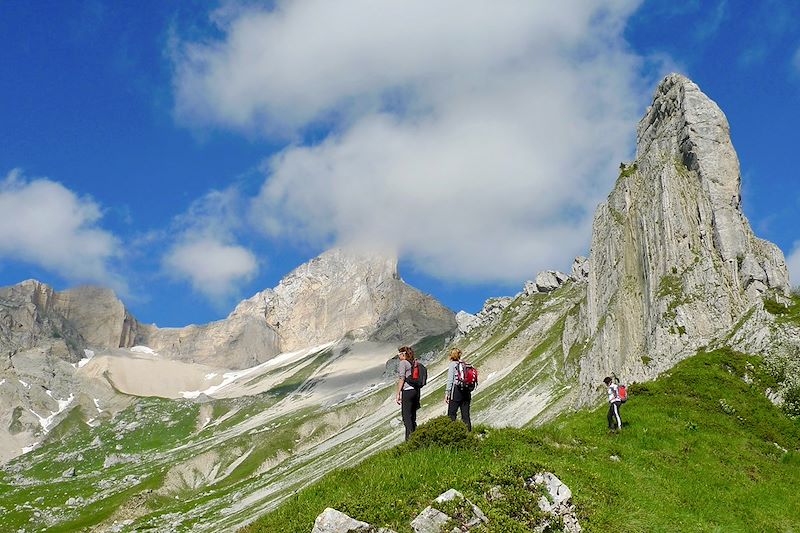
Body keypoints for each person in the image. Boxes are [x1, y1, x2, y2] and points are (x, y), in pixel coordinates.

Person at [396, 346, 420, 441]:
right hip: (415, 391)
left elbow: (402, 378)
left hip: (407, 391)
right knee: (412, 416)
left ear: (403, 354)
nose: (398, 356)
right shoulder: (412, 362)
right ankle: (416, 436)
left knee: (406, 417)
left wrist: (398, 393)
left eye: (399, 354)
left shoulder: (403, 363)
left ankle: (410, 440)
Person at [445, 348, 472, 431]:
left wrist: (447, 393)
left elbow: (450, 380)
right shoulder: (465, 364)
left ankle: (453, 433)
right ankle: (468, 433)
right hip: (466, 391)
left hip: (456, 391)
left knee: (451, 414)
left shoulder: (452, 365)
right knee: (465, 415)